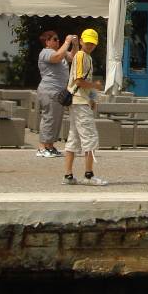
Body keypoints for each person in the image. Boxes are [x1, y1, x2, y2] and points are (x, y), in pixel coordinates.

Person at [63, 29, 107, 186]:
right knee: (90, 137)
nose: (90, 45)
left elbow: (82, 81)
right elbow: (79, 81)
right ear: (81, 41)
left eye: (92, 43)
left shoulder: (85, 56)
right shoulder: (82, 56)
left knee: (74, 137)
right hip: (80, 102)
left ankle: (68, 175)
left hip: (78, 101)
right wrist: (95, 86)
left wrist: (92, 98)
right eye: (87, 42)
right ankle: (89, 175)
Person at [35, 30, 76, 158]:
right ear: (47, 42)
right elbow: (56, 57)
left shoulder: (61, 52)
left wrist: (75, 44)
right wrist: (67, 42)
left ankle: (50, 146)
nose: (58, 41)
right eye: (55, 39)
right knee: (49, 118)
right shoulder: (46, 52)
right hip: (49, 91)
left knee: (56, 120)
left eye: (58, 39)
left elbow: (73, 57)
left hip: (59, 92)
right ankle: (42, 147)